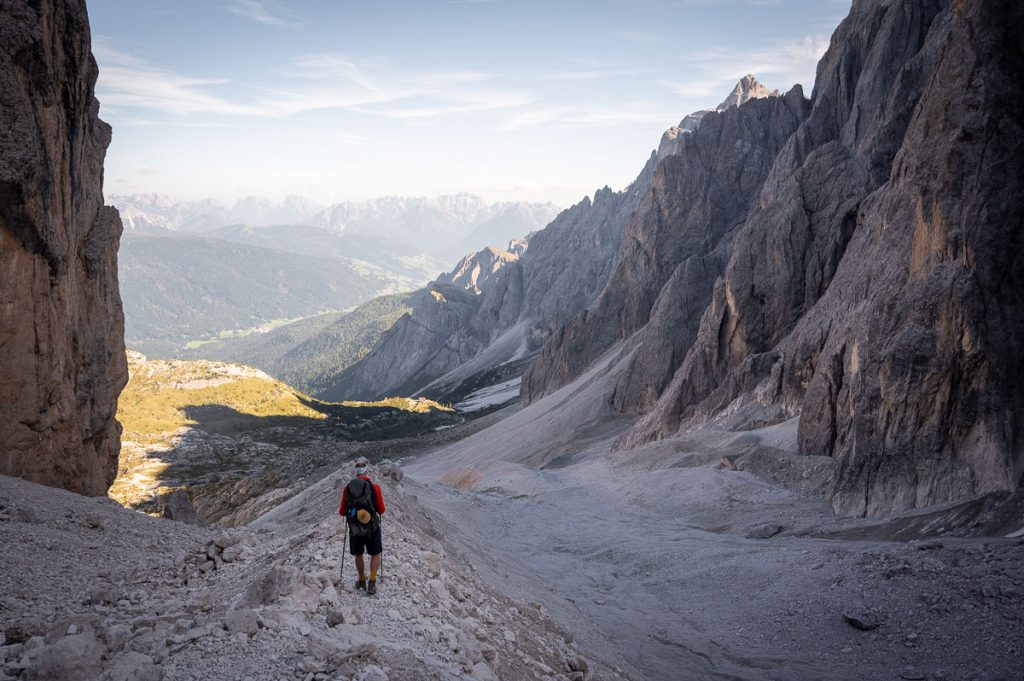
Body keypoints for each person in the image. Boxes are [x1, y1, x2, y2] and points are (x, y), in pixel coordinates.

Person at [338, 458, 386, 595]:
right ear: (366, 472)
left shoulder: (347, 488)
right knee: (375, 553)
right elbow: (381, 510)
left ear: (355, 474)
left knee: (358, 554)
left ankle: (361, 580)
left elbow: (342, 512)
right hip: (372, 527)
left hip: (355, 528)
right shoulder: (375, 487)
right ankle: (372, 582)